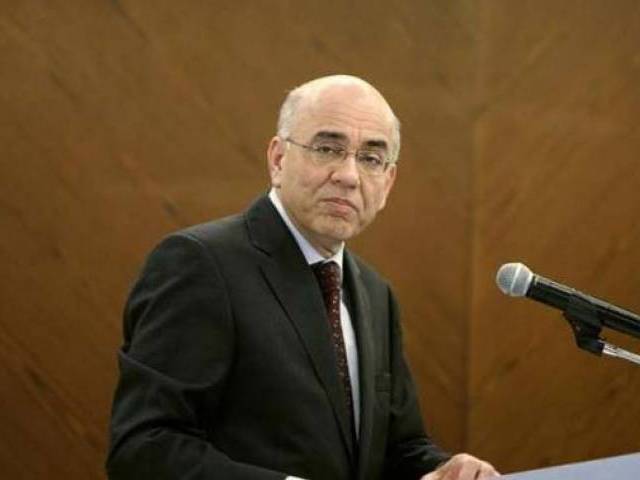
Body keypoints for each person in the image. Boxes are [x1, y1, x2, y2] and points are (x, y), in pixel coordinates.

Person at [106, 75, 499, 480]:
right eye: (328, 149)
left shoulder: (375, 293)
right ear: (278, 159)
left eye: (370, 159)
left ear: (387, 183)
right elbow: (144, 448)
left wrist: (443, 470)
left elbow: (397, 449)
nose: (349, 176)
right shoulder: (200, 264)